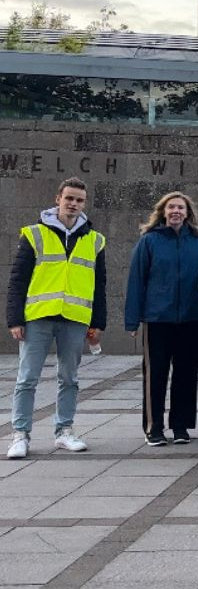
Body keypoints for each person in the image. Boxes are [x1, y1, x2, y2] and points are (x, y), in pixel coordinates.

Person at [6, 177, 106, 460]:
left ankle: (64, 431)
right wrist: (14, 319)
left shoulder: (95, 239)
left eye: (79, 200)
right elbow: (17, 279)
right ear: (57, 199)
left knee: (69, 378)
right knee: (27, 378)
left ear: (84, 204)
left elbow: (100, 285)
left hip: (74, 318)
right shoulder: (35, 233)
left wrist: (98, 323)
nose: (73, 204)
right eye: (69, 198)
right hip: (37, 317)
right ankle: (20, 435)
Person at [125, 190, 198, 446]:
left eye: (181, 208)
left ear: (188, 213)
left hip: (191, 319)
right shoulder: (149, 241)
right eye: (171, 207)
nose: (176, 211)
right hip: (157, 319)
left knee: (186, 374)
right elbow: (136, 281)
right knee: (156, 374)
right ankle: (154, 427)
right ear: (163, 211)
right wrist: (132, 320)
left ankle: (181, 426)